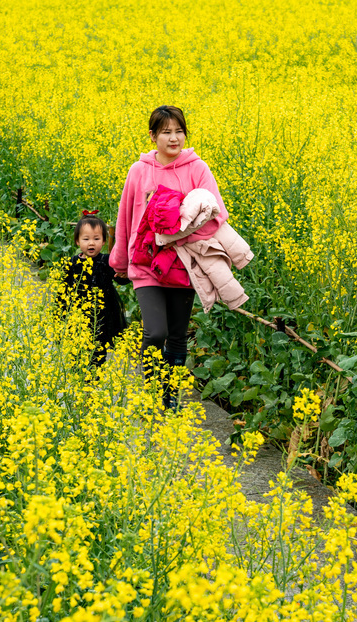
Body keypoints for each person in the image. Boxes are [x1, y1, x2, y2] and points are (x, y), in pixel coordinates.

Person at [110, 105, 230, 405]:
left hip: (183, 265)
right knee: (155, 332)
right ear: (153, 137)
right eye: (166, 132)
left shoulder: (198, 169)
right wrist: (120, 263)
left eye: (179, 131)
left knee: (177, 335)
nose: (174, 138)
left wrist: (178, 234)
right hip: (145, 264)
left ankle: (169, 393)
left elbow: (218, 216)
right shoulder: (139, 171)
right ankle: (152, 386)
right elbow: (126, 216)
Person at [60, 212, 129, 365]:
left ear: (104, 241)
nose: (91, 243)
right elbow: (63, 290)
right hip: (78, 314)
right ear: (77, 241)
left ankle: (95, 375)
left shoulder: (107, 261)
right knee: (76, 348)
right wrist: (60, 314)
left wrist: (124, 275)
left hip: (103, 314)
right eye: (86, 239)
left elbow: (120, 280)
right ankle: (78, 373)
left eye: (96, 239)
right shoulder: (71, 263)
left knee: (99, 346)